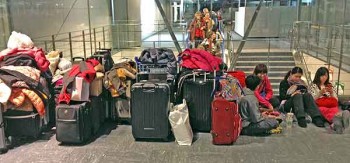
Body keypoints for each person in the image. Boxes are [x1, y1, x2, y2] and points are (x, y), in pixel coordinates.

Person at [310, 67, 350, 133]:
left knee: (334, 109)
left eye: (326, 75)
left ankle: (336, 124)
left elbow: (336, 100)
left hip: (331, 105)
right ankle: (339, 122)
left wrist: (332, 93)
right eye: (322, 75)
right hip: (320, 105)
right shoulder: (313, 85)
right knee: (325, 110)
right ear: (318, 76)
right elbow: (311, 99)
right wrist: (320, 93)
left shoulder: (330, 85)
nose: (324, 78)